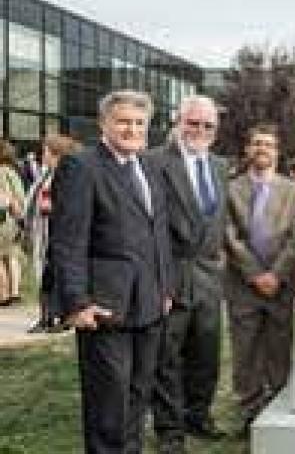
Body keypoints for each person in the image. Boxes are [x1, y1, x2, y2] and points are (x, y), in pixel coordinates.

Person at [48, 90, 174, 454]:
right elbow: (67, 242)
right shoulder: (81, 166)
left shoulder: (150, 166)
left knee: (137, 401)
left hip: (149, 305)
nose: (131, 129)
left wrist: (165, 288)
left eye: (139, 123)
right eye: (123, 121)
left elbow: (157, 233)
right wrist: (76, 303)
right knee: (109, 408)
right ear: (104, 123)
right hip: (104, 309)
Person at [146, 95, 230, 453]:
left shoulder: (220, 165)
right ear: (178, 122)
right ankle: (170, 431)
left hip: (209, 277)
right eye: (193, 123)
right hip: (172, 274)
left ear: (216, 130)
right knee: (166, 358)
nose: (199, 130)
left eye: (207, 125)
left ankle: (198, 416)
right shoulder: (153, 162)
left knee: (206, 355)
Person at [224, 124, 295, 437]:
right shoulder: (231, 188)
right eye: (256, 143)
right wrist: (255, 274)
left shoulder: (292, 190)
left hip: (281, 285)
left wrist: (276, 274)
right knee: (245, 350)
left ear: (277, 151)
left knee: (279, 348)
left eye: (269, 144)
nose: (262, 149)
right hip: (243, 284)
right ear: (248, 150)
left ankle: (278, 411)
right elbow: (229, 235)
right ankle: (248, 411)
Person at [25, 133, 81, 330]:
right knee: (46, 278)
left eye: (45, 151)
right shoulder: (46, 175)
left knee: (53, 278)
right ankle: (47, 318)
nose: (42, 155)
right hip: (42, 233)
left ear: (55, 153)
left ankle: (58, 318)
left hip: (54, 235)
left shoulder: (65, 175)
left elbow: (59, 207)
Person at [0, 140, 26, 307]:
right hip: (16, 219)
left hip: (3, 217)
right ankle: (14, 292)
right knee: (13, 255)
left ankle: (3, 293)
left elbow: (3, 198)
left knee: (1, 257)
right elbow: (21, 197)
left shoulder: (1, 172)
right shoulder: (14, 172)